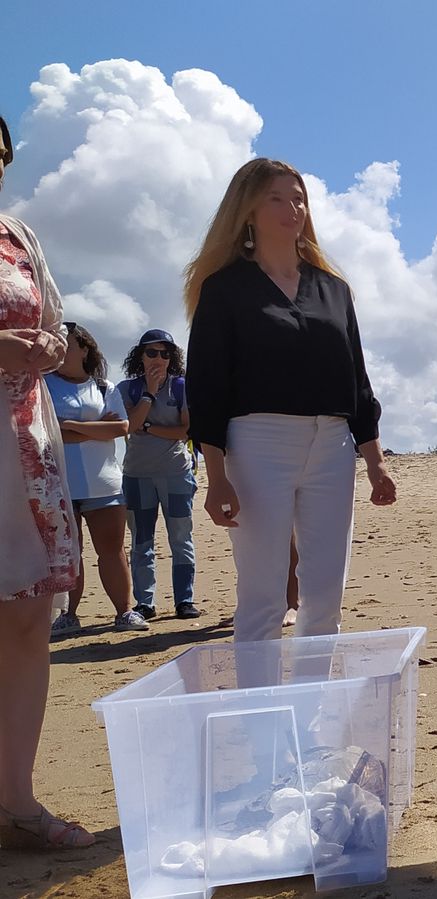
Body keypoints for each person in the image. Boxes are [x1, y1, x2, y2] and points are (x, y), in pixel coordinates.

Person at [184, 158, 396, 646]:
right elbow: (208, 386)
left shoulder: (334, 290)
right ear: (248, 210)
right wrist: (215, 477)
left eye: (299, 198)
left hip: (333, 445)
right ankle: (261, 722)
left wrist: (376, 462)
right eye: (277, 198)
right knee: (262, 596)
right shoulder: (225, 289)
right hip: (257, 442)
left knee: (324, 599)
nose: (293, 208)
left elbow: (356, 380)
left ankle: (312, 717)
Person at [0, 111, 97, 850]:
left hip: (24, 445)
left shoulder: (19, 235)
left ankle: (17, 800)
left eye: (0, 153)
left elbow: (59, 328)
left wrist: (45, 343)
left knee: (29, 620)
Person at [46, 322, 143, 635]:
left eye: (67, 343)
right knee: (70, 554)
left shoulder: (103, 387)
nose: (61, 349)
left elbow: (121, 428)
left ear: (84, 348)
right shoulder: (43, 385)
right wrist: (94, 428)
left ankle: (125, 612)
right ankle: (69, 615)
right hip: (59, 484)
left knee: (112, 551)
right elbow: (48, 429)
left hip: (104, 484)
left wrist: (72, 426)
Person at [111, 328, 199, 622]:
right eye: (152, 352)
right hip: (137, 475)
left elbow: (184, 431)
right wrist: (149, 392)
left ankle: (184, 601)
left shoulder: (182, 387)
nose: (158, 358)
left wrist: (148, 428)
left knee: (180, 538)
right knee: (141, 542)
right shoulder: (126, 389)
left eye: (165, 353)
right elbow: (130, 424)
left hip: (176, 474)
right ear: (140, 355)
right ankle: (144, 603)